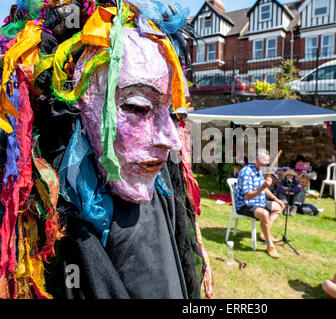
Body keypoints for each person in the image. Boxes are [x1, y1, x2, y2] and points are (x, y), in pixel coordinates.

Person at [0, 0, 211, 299]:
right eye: (138, 106)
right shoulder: (46, 197)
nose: (171, 139)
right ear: (78, 102)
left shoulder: (158, 197)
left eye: (175, 114)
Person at [234, 149, 285, 258]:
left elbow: (264, 188)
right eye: (265, 161)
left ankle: (265, 233)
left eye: (268, 161)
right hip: (244, 205)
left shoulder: (259, 170)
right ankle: (270, 246)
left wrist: (275, 199)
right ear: (256, 160)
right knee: (264, 214)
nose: (267, 164)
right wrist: (263, 186)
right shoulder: (246, 172)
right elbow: (248, 196)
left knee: (278, 207)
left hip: (258, 202)